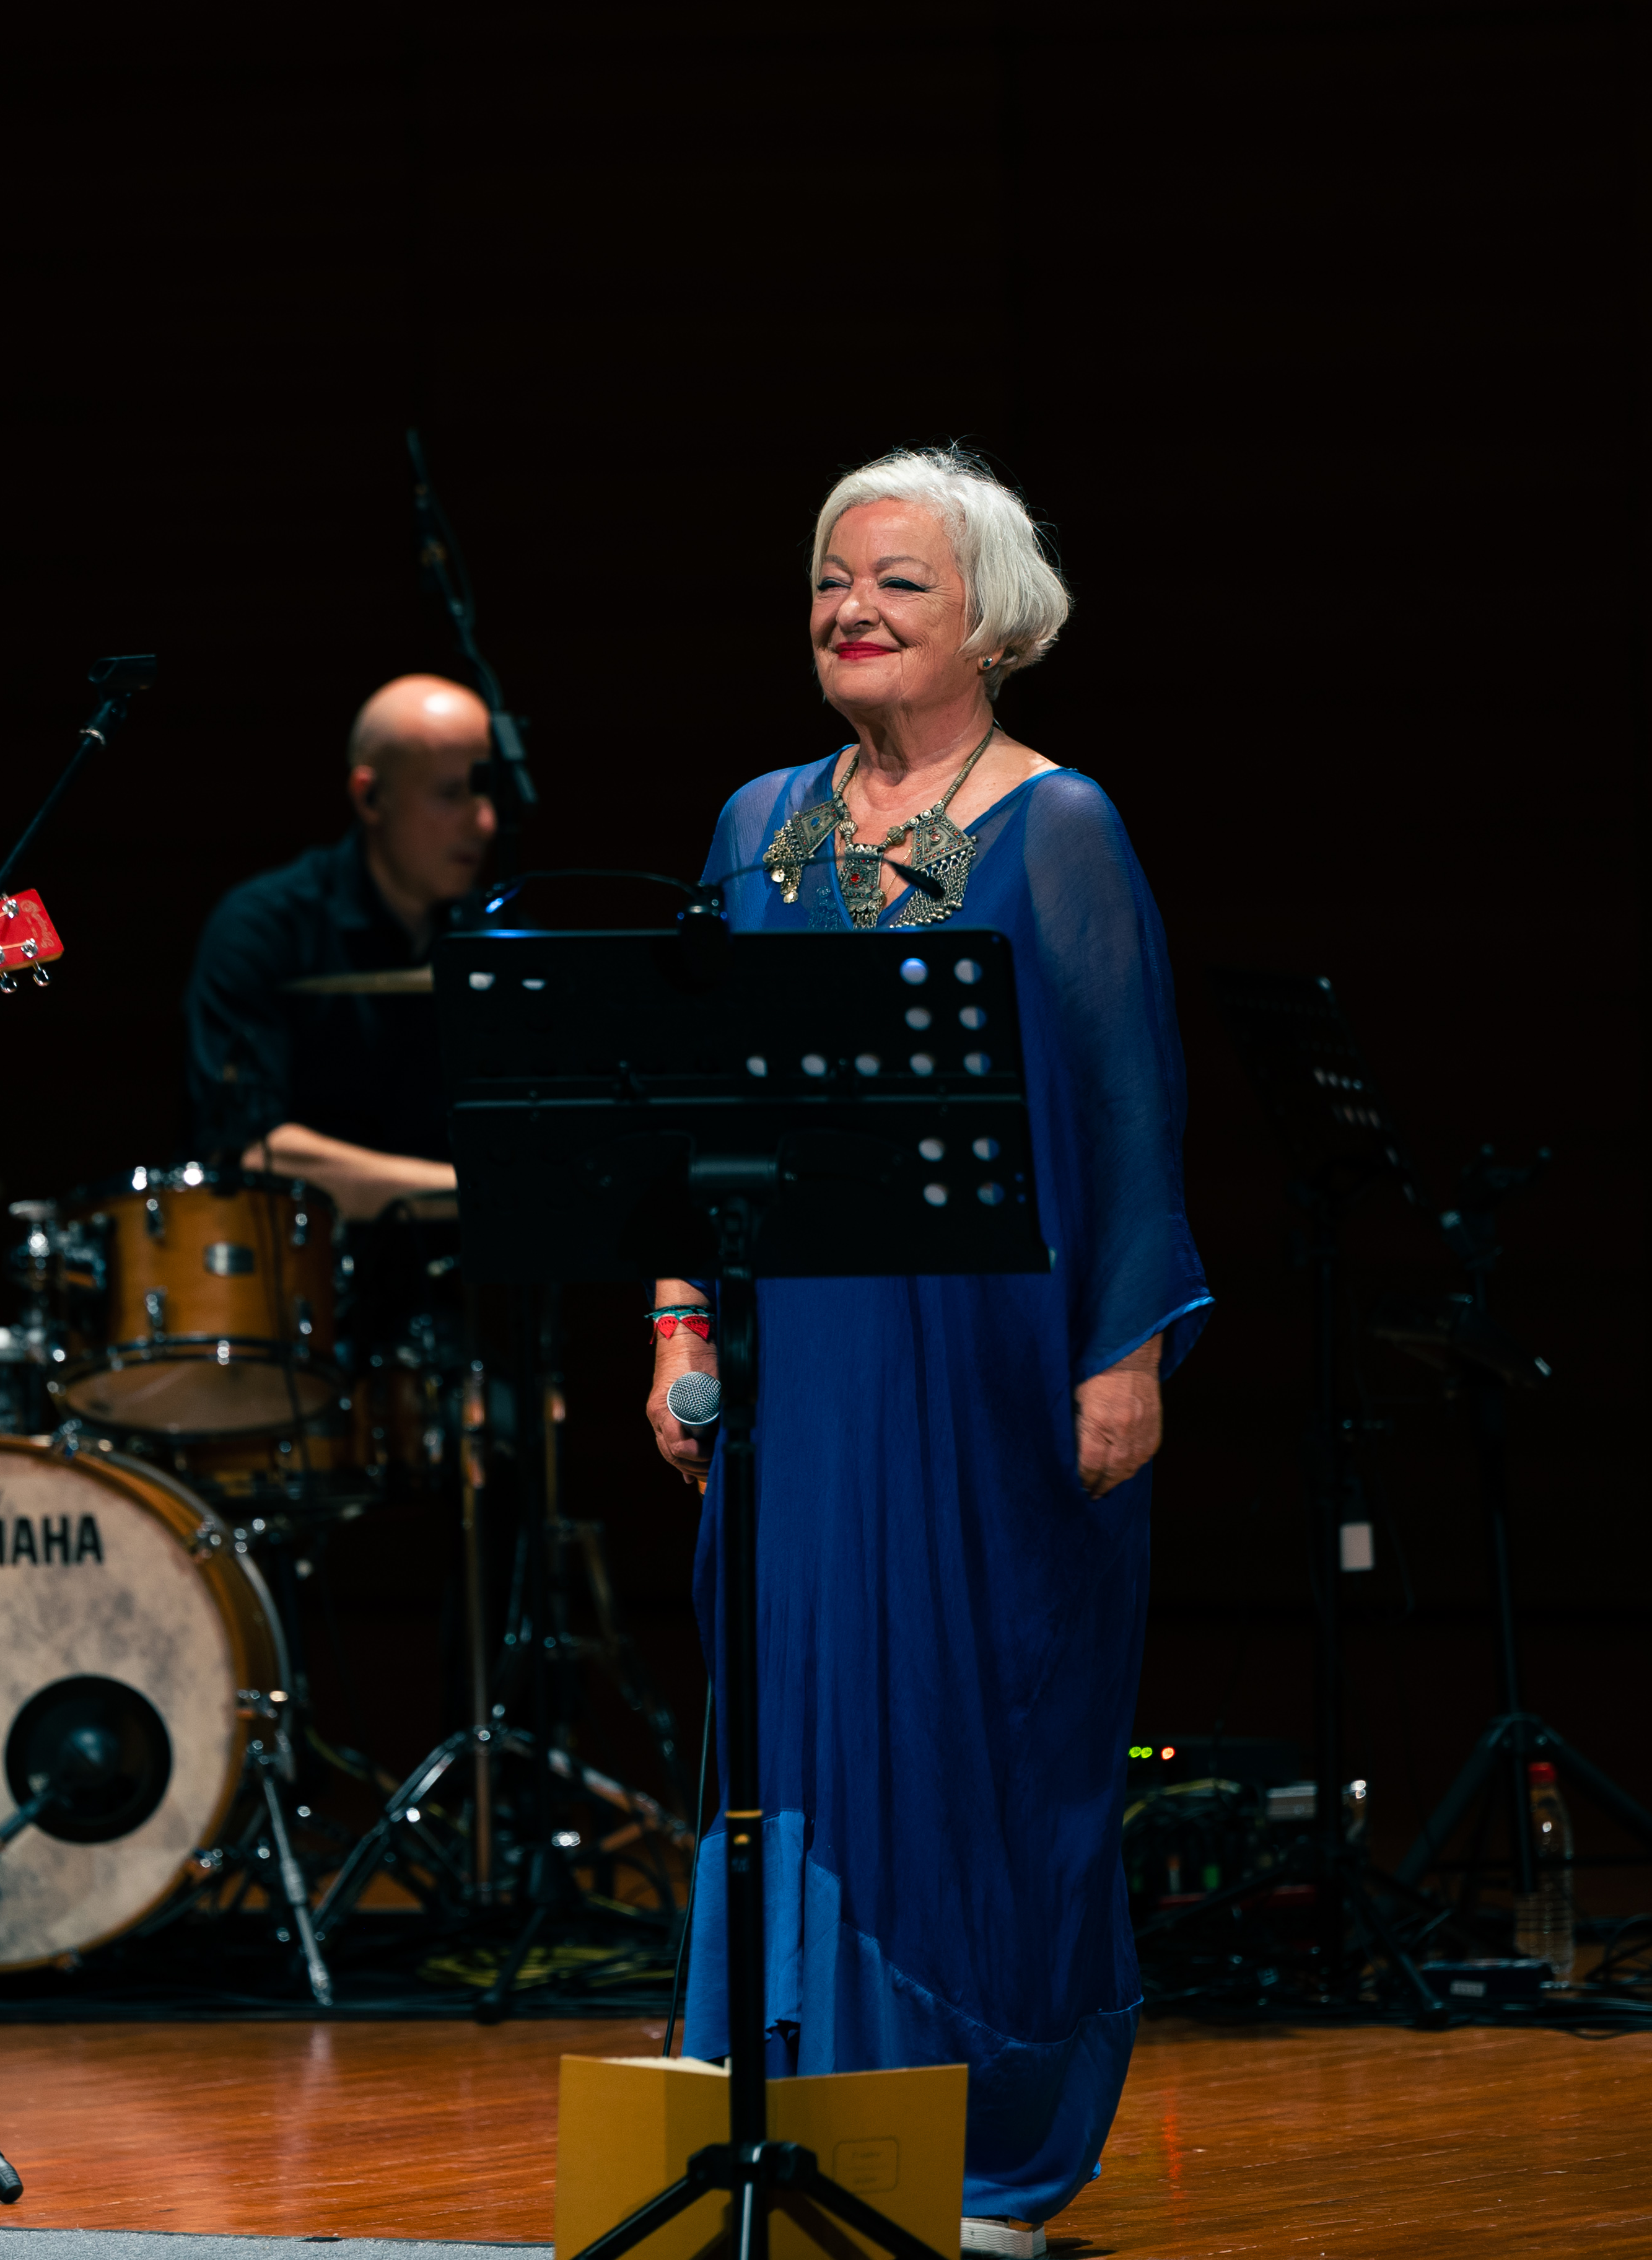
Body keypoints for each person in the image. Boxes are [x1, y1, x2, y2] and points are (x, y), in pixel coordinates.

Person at [640, 449, 1207, 2259]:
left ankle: (991, 2152)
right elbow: (688, 1102)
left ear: (993, 621)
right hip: (796, 1370)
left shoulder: (1064, 827)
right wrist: (673, 1324)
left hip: (994, 1369)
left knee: (987, 1733)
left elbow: (1133, 1118)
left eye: (897, 582)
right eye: (829, 579)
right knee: (796, 1719)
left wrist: (1126, 1351)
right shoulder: (753, 823)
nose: (851, 610)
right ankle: (792, 2116)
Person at [181, 673, 497, 1221]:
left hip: (460, 1290)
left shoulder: (496, 938)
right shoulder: (264, 928)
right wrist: (480, 1193)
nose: (485, 821)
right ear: (370, 796)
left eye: (486, 789)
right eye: (452, 793)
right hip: (298, 1284)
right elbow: (251, 1153)